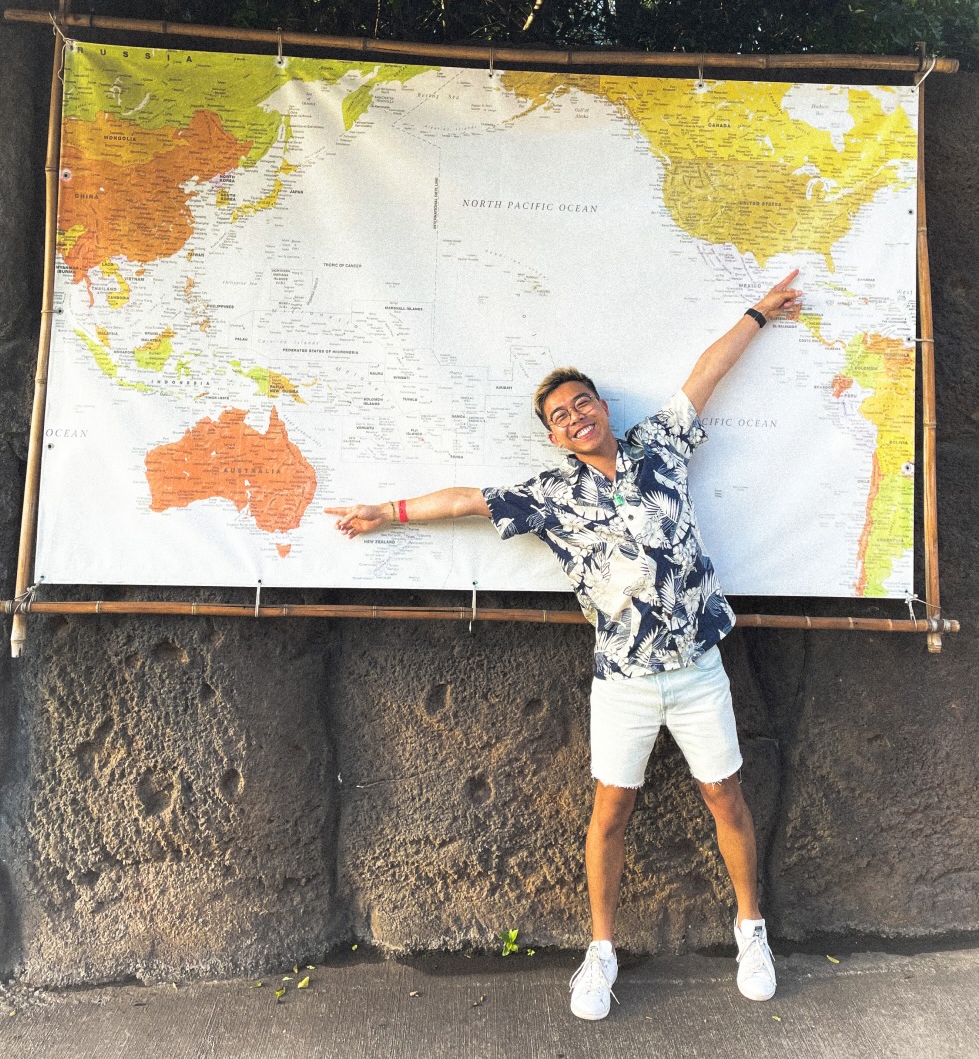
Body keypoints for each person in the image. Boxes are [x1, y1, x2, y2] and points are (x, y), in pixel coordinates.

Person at [329, 270, 803, 1021]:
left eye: (584, 401)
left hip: (698, 668)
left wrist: (759, 313)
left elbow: (705, 373)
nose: (576, 415)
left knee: (726, 796)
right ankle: (601, 952)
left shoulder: (660, 448)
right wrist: (384, 513)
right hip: (622, 679)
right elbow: (465, 501)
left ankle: (751, 932)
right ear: (552, 435)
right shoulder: (551, 495)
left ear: (604, 409)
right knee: (611, 810)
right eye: (560, 414)